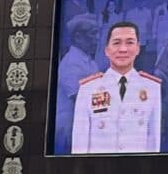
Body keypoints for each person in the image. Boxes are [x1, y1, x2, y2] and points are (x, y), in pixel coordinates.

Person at [69, 18, 162, 154]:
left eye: (129, 43)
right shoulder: (88, 88)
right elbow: (79, 142)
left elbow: (153, 141)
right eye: (116, 43)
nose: (123, 49)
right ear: (107, 50)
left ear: (138, 48)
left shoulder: (152, 88)